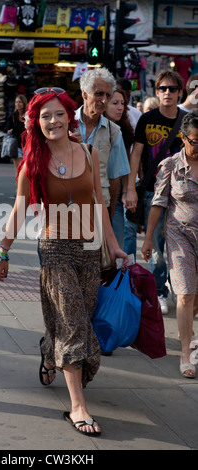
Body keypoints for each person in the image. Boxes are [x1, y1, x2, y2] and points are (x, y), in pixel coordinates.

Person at [0, 88, 128, 435]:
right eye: (44, 116)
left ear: (70, 115)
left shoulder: (87, 151)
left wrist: (114, 246)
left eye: (58, 114)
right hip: (54, 250)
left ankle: (47, 347)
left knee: (81, 320)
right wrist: (2, 250)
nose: (52, 121)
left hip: (89, 250)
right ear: (36, 123)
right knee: (73, 324)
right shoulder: (32, 163)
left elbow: (100, 203)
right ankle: (78, 408)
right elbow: (19, 209)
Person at [141, 110, 198, 378]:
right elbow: (158, 203)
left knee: (195, 297)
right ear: (183, 138)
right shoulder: (170, 165)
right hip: (179, 236)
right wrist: (149, 238)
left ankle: (190, 333)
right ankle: (187, 352)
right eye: (195, 141)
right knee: (185, 294)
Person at [126, 69, 186, 315]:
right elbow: (137, 153)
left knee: (177, 245)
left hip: (181, 194)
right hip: (153, 191)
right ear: (157, 92)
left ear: (180, 93)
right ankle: (159, 291)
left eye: (172, 89)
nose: (168, 93)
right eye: (163, 89)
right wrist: (131, 187)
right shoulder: (147, 119)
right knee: (156, 247)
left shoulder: (187, 121)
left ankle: (175, 286)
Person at [73, 68, 130, 218]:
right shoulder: (64, 124)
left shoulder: (113, 132)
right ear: (85, 94)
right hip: (65, 205)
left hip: (97, 208)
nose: (104, 100)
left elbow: (114, 179)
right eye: (99, 93)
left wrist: (108, 217)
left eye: (107, 95)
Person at [104, 89, 137, 256]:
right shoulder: (94, 128)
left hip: (116, 196)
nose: (120, 108)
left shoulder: (123, 129)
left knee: (117, 246)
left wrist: (126, 191)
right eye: (115, 103)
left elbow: (127, 164)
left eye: (122, 104)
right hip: (96, 195)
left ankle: (115, 279)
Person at [7, 94, 28, 175]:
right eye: (16, 102)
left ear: (24, 103)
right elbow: (8, 128)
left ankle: (26, 186)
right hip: (16, 144)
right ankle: (19, 186)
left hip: (27, 144)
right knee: (18, 167)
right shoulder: (13, 115)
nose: (18, 104)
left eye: (20, 102)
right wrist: (9, 130)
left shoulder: (28, 115)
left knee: (26, 167)